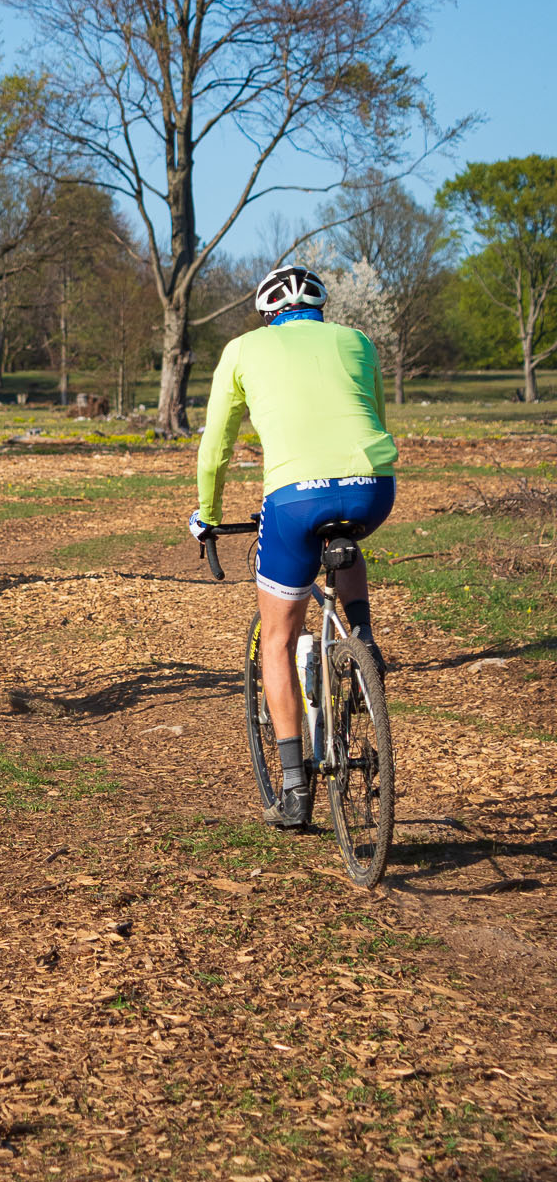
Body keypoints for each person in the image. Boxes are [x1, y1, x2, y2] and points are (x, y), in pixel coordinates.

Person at [189, 264, 397, 829]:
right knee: (345, 540)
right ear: (320, 309)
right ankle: (363, 642)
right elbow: (373, 413)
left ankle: (295, 789)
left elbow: (216, 447)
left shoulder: (242, 350)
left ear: (267, 315)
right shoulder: (356, 341)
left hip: (295, 498)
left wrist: (207, 517)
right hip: (373, 487)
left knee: (278, 639)